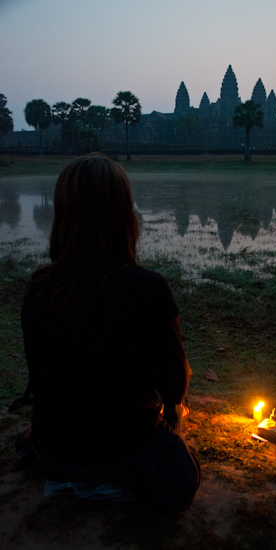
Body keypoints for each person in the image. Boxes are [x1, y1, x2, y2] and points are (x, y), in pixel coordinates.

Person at [20, 153, 200, 510]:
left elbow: (42, 374)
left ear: (62, 214)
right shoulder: (147, 287)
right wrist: (170, 409)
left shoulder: (39, 286)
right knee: (181, 468)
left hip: (53, 448)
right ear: (124, 215)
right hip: (124, 450)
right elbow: (175, 385)